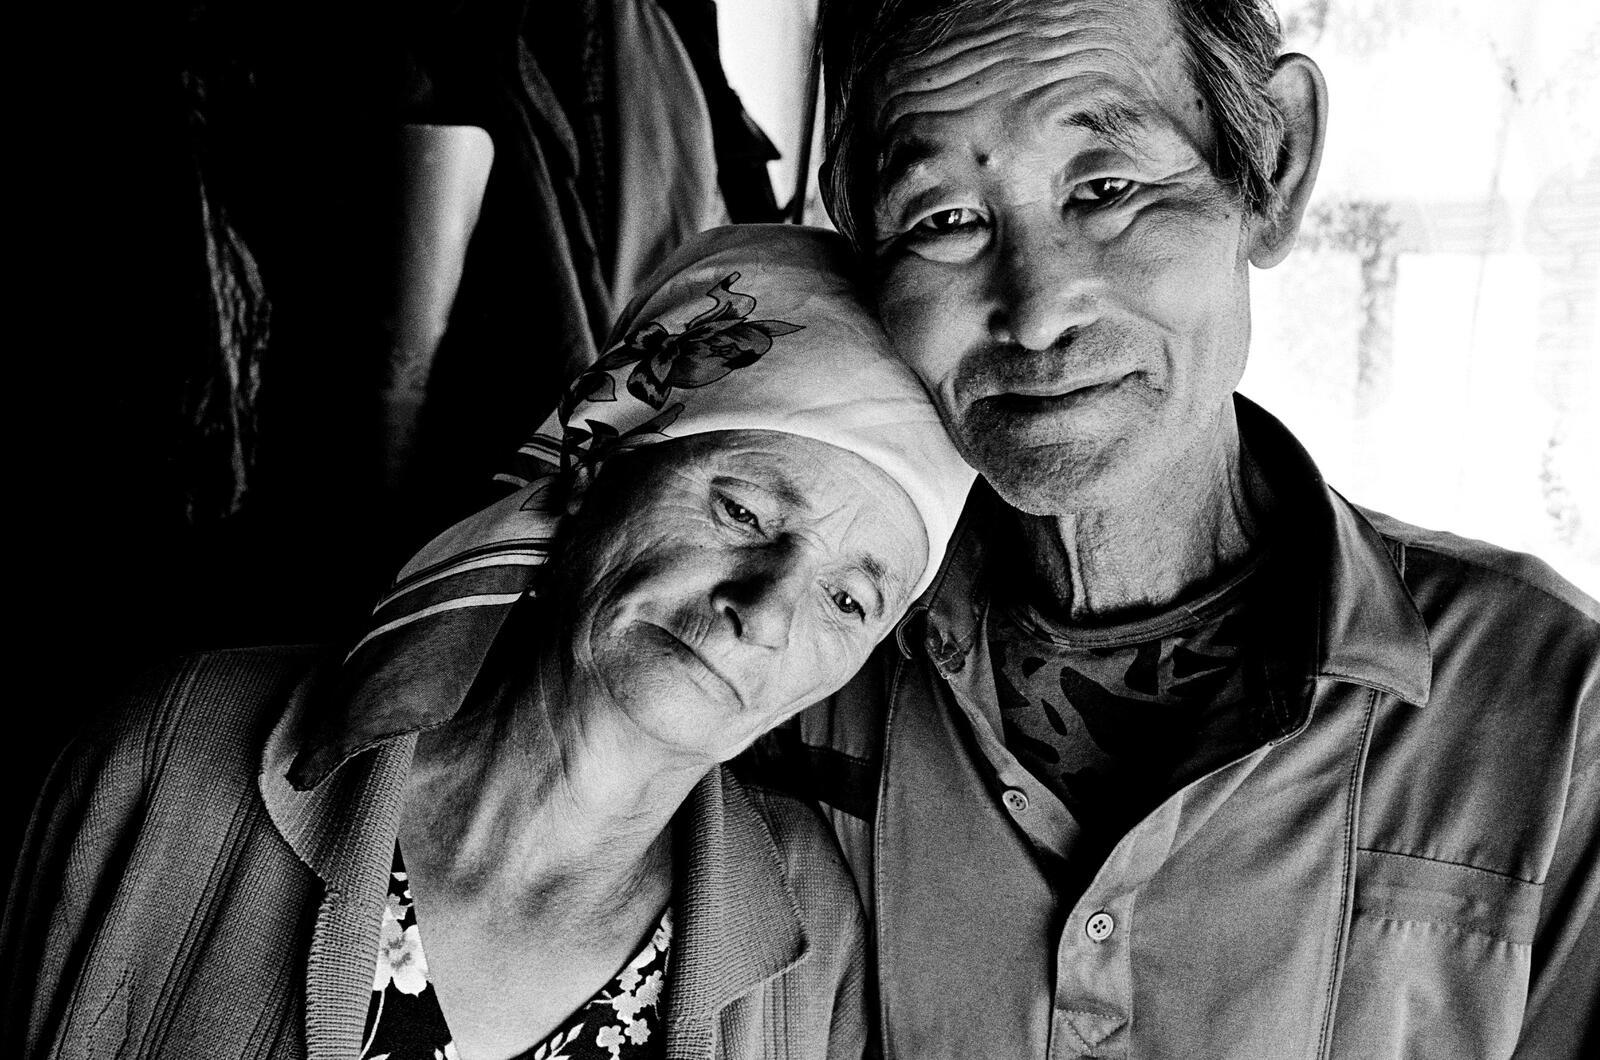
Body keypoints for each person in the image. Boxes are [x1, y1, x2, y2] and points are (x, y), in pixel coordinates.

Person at [752, 1, 1600, 1057]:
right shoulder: (781, 656)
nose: (1038, 311)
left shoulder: (1554, 713)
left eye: (1106, 189)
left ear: (1272, 165)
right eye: (945, 219)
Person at [1, 224, 975, 1060]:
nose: (764, 613)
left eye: (849, 599)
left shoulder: (810, 936)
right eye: (744, 512)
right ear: (596, 463)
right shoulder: (181, 748)